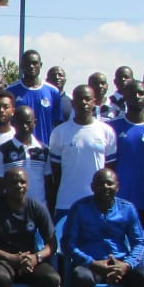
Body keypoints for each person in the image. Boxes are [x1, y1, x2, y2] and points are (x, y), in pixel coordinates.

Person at [61, 167, 144, 287]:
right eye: (100, 183)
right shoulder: (80, 208)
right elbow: (68, 243)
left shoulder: (128, 209)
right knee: (80, 277)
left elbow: (139, 242)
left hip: (120, 264)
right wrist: (91, 263)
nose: (105, 187)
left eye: (109, 183)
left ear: (117, 187)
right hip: (91, 264)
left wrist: (126, 265)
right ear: (92, 186)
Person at [47, 84, 117, 219]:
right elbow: (56, 171)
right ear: (72, 103)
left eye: (87, 99)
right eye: (79, 99)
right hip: (67, 202)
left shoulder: (106, 131)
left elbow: (109, 168)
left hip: (97, 202)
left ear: (94, 102)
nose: (83, 102)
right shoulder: (59, 132)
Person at [108, 78, 144, 229]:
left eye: (141, 93)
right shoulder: (112, 127)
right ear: (125, 96)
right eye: (133, 93)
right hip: (119, 197)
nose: (137, 97)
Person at [0, 104, 48, 205]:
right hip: (11, 210)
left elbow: (49, 183)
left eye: (28, 122)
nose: (25, 126)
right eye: (20, 123)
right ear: (13, 123)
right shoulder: (2, 151)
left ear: (35, 122)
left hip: (39, 208)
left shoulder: (44, 150)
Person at [7, 49, 64, 143]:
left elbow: (57, 124)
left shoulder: (53, 92)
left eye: (35, 63)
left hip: (45, 148)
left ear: (41, 65)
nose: (31, 66)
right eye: (28, 63)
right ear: (21, 65)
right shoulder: (11, 91)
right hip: (17, 148)